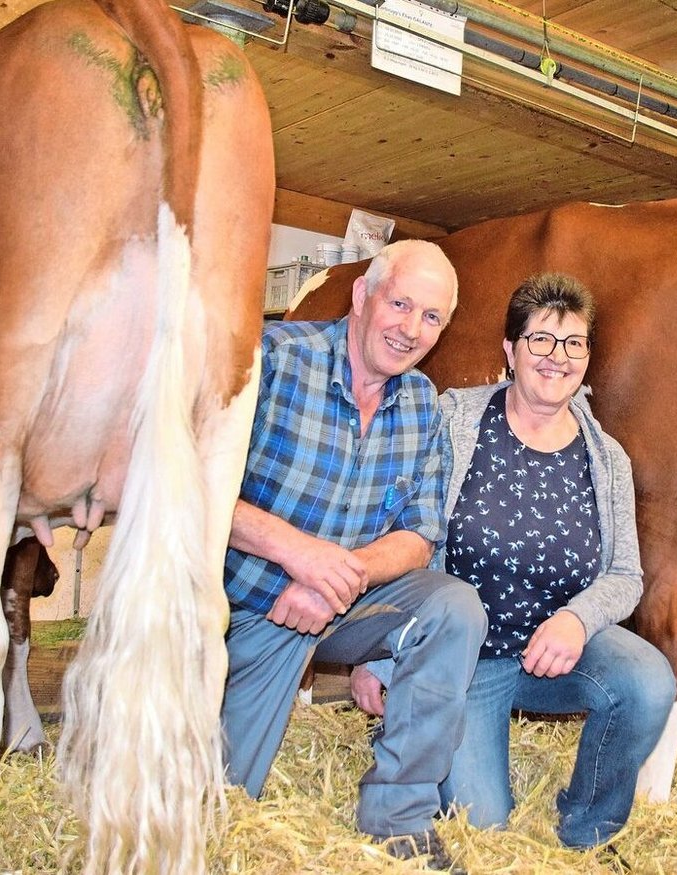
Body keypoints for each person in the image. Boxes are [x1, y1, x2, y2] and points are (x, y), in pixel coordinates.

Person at [351, 273, 674, 852]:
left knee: (649, 681)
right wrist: (381, 656)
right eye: (540, 339)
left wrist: (577, 619)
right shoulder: (453, 423)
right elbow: (400, 530)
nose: (557, 357)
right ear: (510, 349)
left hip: (558, 653)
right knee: (484, 828)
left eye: (573, 343)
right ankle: (422, 721)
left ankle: (589, 829)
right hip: (467, 661)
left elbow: (626, 574)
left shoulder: (606, 458)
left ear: (588, 356)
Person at [221, 240, 487, 871]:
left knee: (454, 607)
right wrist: (300, 555)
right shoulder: (273, 360)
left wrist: (344, 575)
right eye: (401, 304)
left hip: (345, 603)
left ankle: (399, 816)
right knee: (220, 801)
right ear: (362, 295)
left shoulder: (422, 404)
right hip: (249, 608)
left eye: (431, 317)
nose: (411, 329)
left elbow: (420, 535)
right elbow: (191, 489)